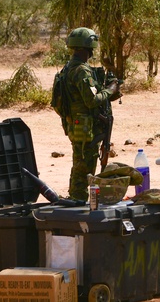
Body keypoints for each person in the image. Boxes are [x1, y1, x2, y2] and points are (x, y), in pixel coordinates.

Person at [51, 27, 121, 201]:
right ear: (88, 47)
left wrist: (107, 94)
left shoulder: (68, 68)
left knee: (80, 165)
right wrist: (110, 89)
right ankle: (78, 200)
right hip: (86, 128)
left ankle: (76, 199)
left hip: (77, 125)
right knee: (85, 168)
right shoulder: (82, 70)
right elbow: (91, 100)